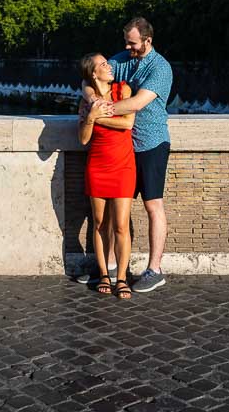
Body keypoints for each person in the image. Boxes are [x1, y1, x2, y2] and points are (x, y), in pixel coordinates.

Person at [87, 17, 172, 293]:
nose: (127, 46)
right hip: (123, 150)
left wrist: (100, 112)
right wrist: (92, 99)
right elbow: (89, 77)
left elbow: (136, 103)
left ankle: (154, 269)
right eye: (127, 41)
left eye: (133, 43)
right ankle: (109, 268)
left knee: (152, 205)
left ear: (148, 41)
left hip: (150, 144)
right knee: (113, 213)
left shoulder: (161, 68)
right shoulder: (123, 58)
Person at [77, 53, 136, 299]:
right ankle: (104, 273)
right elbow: (83, 138)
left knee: (121, 225)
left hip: (123, 166)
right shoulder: (86, 101)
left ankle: (121, 278)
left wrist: (99, 114)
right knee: (100, 223)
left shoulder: (124, 89)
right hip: (98, 166)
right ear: (93, 73)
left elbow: (127, 124)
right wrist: (91, 116)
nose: (108, 66)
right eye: (103, 64)